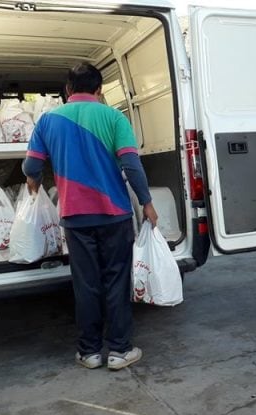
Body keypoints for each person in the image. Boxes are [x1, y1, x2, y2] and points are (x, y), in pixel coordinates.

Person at [22, 62, 158, 371]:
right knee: (116, 280)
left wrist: (34, 181)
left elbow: (31, 166)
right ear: (99, 90)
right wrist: (147, 203)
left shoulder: (48, 120)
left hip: (75, 217)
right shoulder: (114, 118)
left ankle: (90, 352)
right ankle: (121, 351)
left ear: (68, 90)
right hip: (114, 216)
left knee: (86, 284)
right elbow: (132, 166)